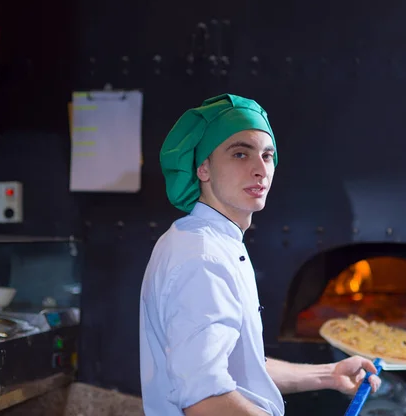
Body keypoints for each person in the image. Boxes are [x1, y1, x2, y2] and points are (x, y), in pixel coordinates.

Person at [139, 93, 381, 415]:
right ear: (203, 169)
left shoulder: (211, 241)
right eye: (240, 154)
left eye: (267, 156)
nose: (260, 170)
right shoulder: (202, 259)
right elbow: (206, 398)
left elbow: (240, 368)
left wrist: (329, 375)